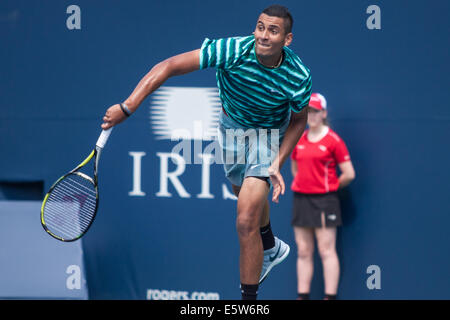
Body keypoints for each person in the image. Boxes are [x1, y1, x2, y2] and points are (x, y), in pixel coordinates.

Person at [101, 5, 312, 300]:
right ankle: (270, 246)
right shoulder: (232, 50)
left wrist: (277, 161)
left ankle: (248, 302)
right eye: (260, 27)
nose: (263, 35)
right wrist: (128, 106)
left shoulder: (297, 75)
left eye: (273, 31)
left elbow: (300, 119)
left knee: (245, 218)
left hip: (268, 135)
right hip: (231, 130)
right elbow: (169, 65)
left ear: (287, 40)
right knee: (243, 194)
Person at [290, 93, 355, 300]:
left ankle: (330, 296)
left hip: (325, 201)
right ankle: (303, 295)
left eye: (316, 111)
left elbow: (349, 173)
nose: (311, 115)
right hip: (301, 198)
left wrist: (330, 186)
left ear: (324, 113)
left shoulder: (333, 141)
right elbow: (294, 167)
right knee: (303, 250)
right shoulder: (298, 138)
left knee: (326, 250)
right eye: (308, 111)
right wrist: (305, 184)